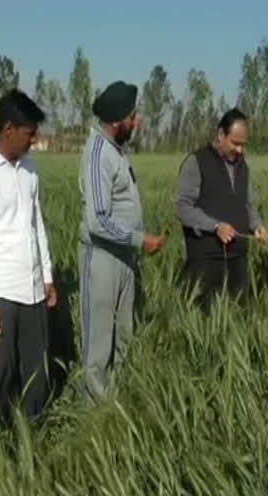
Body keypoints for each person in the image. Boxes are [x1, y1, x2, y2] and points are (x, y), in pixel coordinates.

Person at [0, 89, 56, 420]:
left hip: (33, 288)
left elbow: (36, 224)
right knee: (0, 372)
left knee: (36, 369)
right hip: (2, 292)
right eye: (29, 133)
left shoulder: (30, 171)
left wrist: (47, 276)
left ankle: (35, 428)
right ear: (7, 130)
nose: (34, 140)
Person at [78, 81, 166, 401]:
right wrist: (140, 240)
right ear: (117, 121)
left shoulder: (115, 151)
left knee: (123, 334)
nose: (137, 121)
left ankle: (117, 401)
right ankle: (93, 411)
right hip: (102, 258)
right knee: (99, 340)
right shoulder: (97, 154)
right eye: (132, 116)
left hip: (123, 255)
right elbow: (97, 220)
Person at [174, 108, 268, 311]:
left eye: (243, 144)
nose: (240, 150)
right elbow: (183, 207)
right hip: (206, 260)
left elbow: (247, 204)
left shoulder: (243, 166)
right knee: (206, 319)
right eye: (235, 143)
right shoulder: (197, 161)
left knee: (239, 316)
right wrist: (216, 226)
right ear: (220, 135)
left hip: (238, 261)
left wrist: (257, 226)